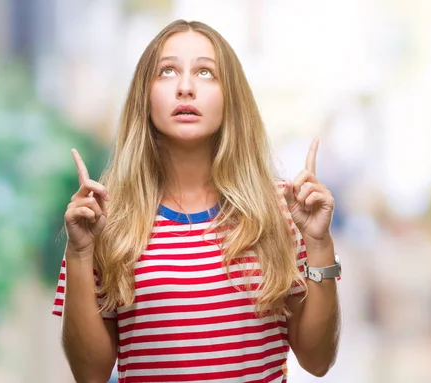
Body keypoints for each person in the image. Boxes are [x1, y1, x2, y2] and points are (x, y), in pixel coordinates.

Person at [52, 19, 341, 383]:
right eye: (168, 71)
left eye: (206, 73)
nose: (185, 87)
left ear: (230, 98)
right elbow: (90, 374)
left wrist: (319, 244)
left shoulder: (283, 209)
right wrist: (79, 253)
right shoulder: (106, 219)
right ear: (146, 96)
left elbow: (318, 361)